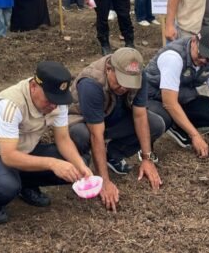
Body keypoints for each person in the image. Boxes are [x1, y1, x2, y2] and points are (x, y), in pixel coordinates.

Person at [0, 61, 92, 224]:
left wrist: (81, 166)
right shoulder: (10, 104)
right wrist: (52, 164)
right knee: (5, 186)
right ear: (34, 86)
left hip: (27, 151)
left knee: (79, 163)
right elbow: (8, 156)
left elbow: (63, 139)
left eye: (57, 100)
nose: (53, 105)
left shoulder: (57, 103)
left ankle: (26, 184)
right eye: (49, 99)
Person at [68, 48, 164, 211]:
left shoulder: (139, 76)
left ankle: (112, 155)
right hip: (84, 120)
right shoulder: (91, 83)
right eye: (120, 81)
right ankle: (83, 164)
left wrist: (147, 159)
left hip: (112, 112)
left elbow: (140, 116)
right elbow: (96, 134)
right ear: (109, 68)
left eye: (129, 83)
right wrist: (103, 180)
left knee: (156, 124)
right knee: (81, 135)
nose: (124, 87)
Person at [143, 27, 209, 157]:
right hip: (153, 98)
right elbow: (169, 103)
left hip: (182, 96)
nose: (203, 61)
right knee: (161, 120)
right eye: (201, 54)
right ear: (194, 41)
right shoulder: (173, 57)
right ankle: (145, 147)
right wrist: (195, 135)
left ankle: (178, 125)